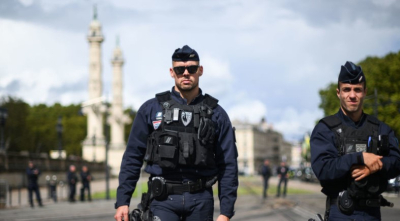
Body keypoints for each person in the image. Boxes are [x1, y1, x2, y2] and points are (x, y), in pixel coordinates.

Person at [114, 45, 238, 221]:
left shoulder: (217, 114)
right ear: (172, 72)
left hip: (200, 200)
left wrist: (226, 212)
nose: (186, 73)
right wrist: (122, 201)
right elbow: (133, 156)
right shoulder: (151, 109)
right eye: (180, 69)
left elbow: (228, 164)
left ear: (200, 70)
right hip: (162, 199)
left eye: (192, 68)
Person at [310, 61, 400, 220]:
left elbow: (397, 162)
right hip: (340, 212)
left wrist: (374, 167)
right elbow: (323, 169)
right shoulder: (325, 128)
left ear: (365, 92)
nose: (352, 95)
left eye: (357, 90)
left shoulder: (380, 128)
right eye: (347, 89)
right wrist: (360, 158)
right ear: (338, 93)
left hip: (372, 213)